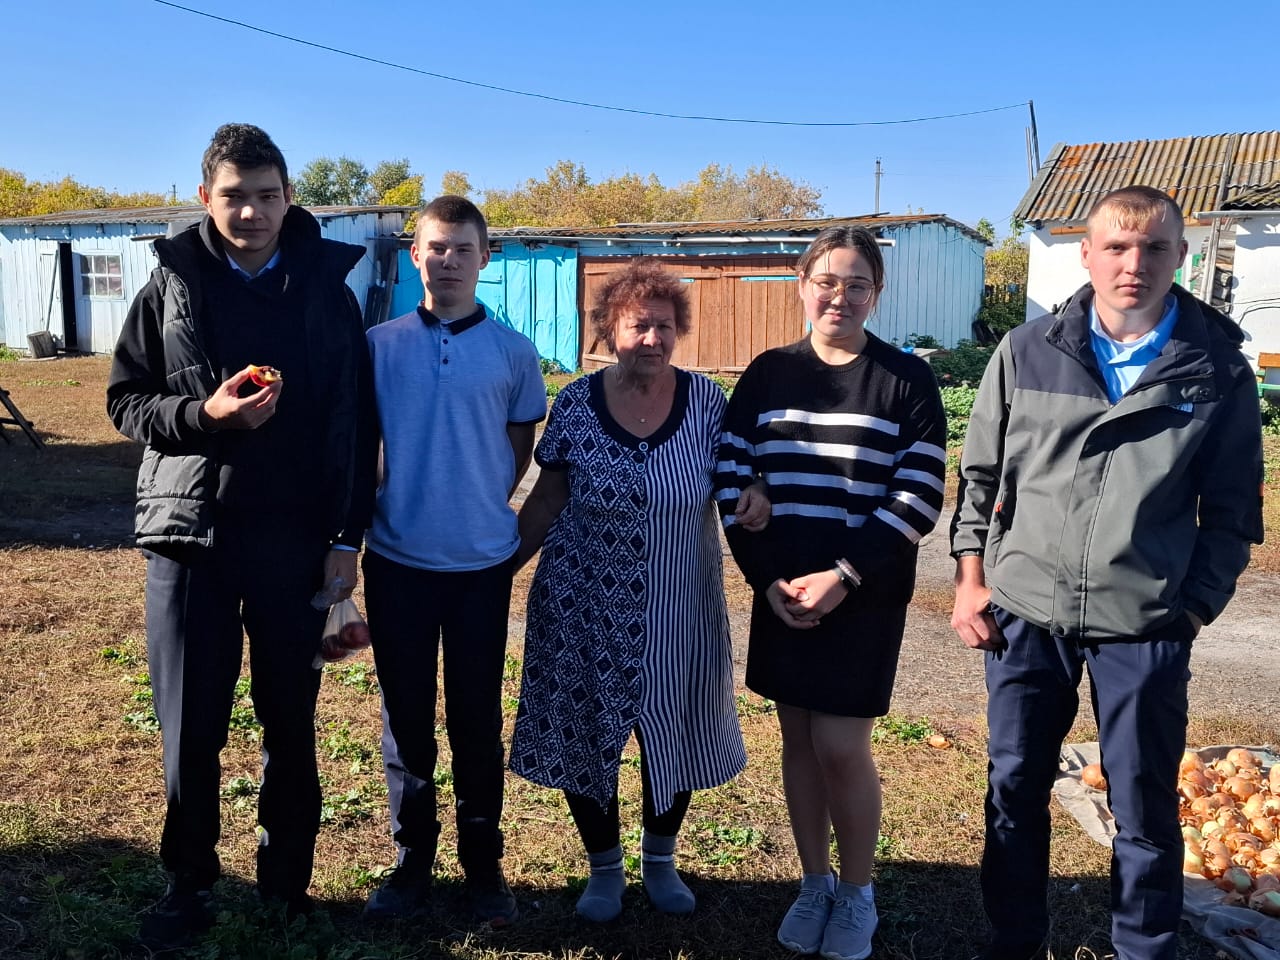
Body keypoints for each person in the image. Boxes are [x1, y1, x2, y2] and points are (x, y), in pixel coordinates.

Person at [950, 185, 1265, 960]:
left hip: (1144, 627)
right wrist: (970, 577)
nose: (1135, 264)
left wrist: (1189, 610)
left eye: (1155, 247)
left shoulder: (1216, 372)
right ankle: (1015, 941)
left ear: (1181, 258)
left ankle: (1143, 950)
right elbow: (981, 478)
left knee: (1144, 803)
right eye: (1117, 248)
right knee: (1015, 789)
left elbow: (1232, 514)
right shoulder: (1025, 353)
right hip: (1027, 614)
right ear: (1086, 254)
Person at [106, 123, 376, 948]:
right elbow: (125, 402)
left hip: (293, 539)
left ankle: (286, 882)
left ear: (289, 196)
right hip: (191, 541)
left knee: (289, 715)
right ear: (204, 199)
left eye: (266, 195)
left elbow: (355, 422)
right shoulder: (172, 286)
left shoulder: (327, 289)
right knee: (192, 722)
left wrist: (345, 536)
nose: (252, 211)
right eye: (234, 196)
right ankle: (187, 882)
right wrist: (203, 414)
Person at [714, 226, 947, 960]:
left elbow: (920, 496)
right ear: (802, 283)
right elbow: (730, 469)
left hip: (862, 594)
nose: (839, 297)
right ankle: (812, 882)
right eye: (827, 281)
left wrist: (844, 576)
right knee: (797, 742)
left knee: (842, 745)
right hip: (783, 589)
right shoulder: (766, 373)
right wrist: (766, 574)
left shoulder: (907, 381)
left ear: (876, 293)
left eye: (856, 284)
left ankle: (856, 892)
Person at [508, 258, 764, 922]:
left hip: (681, 603)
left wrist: (769, 538)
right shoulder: (576, 404)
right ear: (608, 331)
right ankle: (603, 869)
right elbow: (545, 501)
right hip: (581, 605)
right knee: (583, 731)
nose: (649, 339)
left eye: (662, 326)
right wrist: (493, 574)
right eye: (635, 326)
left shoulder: (708, 402)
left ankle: (659, 860)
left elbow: (737, 490)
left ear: (678, 330)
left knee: (672, 733)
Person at [360, 195, 545, 926]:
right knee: (405, 716)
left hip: (480, 567)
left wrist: (474, 504)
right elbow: (359, 446)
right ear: (416, 256)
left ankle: (483, 865)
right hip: (398, 560)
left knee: (475, 715)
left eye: (463, 249)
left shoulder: (513, 352)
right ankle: (412, 862)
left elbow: (518, 445)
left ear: (485, 258)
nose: (448, 259)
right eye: (435, 247)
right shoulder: (379, 345)